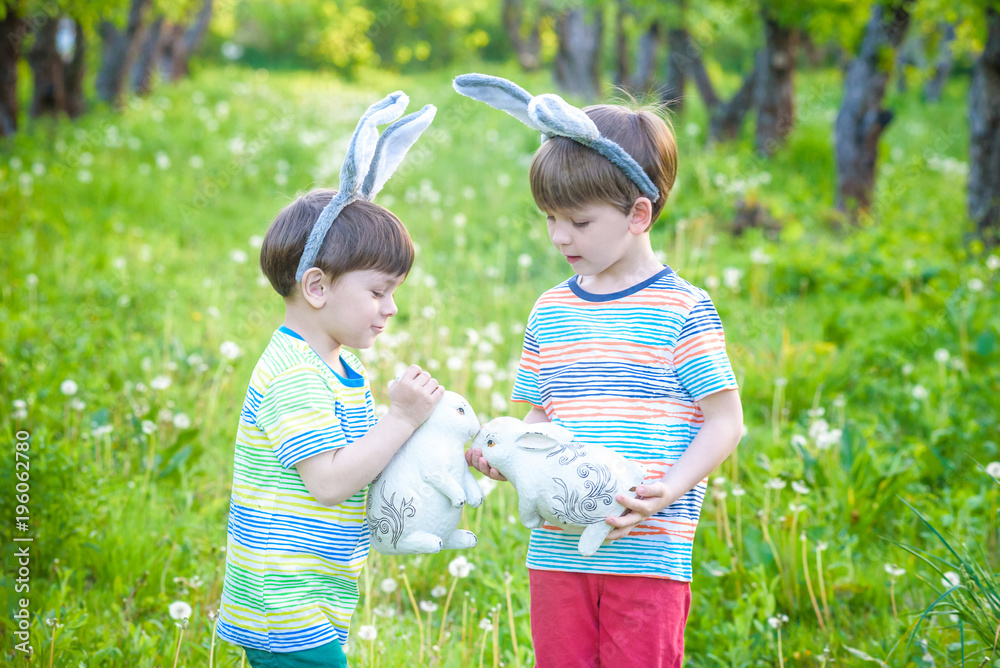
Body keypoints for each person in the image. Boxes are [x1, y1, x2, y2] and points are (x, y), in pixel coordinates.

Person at [458, 74, 744, 667]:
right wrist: (505, 456)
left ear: (639, 213)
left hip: (647, 553)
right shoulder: (551, 310)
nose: (560, 235)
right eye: (549, 218)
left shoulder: (682, 309)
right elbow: (542, 417)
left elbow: (725, 423)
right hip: (558, 552)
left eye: (579, 221)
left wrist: (672, 487)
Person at [217, 94, 443, 667]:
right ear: (317, 288)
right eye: (378, 291)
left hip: (318, 593)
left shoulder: (340, 365)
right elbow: (329, 482)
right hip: (283, 601)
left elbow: (363, 459)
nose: (390, 308)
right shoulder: (294, 374)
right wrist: (400, 419)